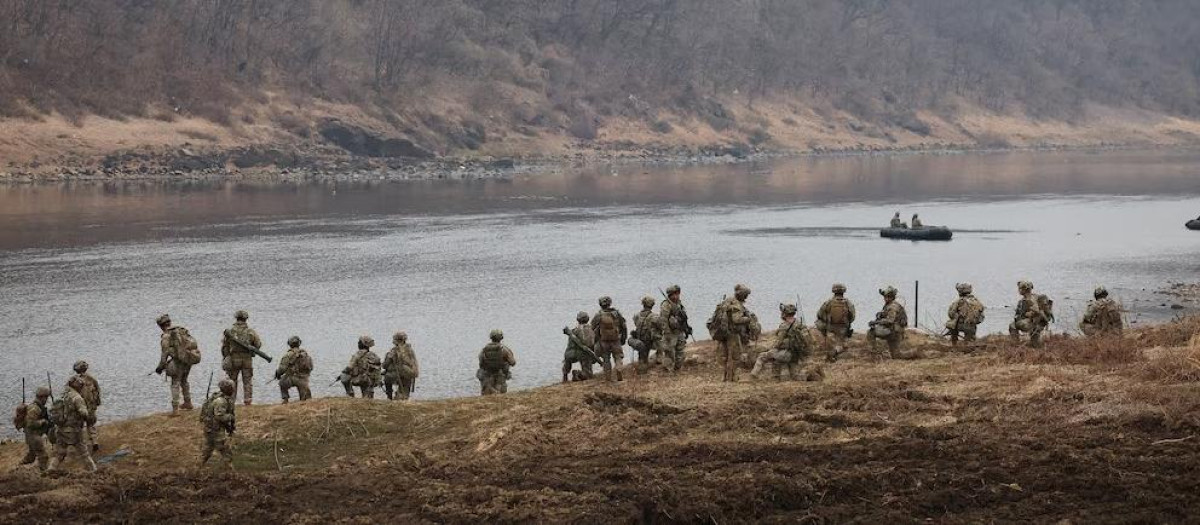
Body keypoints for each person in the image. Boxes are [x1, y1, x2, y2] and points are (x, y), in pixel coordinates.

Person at [751, 303, 814, 381]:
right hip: (796, 355)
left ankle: (753, 375)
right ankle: (789, 377)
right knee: (793, 373)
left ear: (785, 313)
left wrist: (770, 349)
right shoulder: (799, 324)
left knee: (762, 356)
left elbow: (778, 343)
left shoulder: (784, 326)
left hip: (786, 355)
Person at [710, 284, 760, 382]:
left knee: (725, 355)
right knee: (735, 357)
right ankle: (732, 378)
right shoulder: (736, 304)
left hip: (723, 331)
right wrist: (748, 318)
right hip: (732, 333)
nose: (746, 297)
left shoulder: (728, 300)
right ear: (741, 294)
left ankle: (725, 377)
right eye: (745, 295)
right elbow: (736, 319)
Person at [49, 376, 97, 473]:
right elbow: (84, 413)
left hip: (60, 429)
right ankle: (94, 471)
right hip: (74, 431)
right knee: (84, 453)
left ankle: (51, 469)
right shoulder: (77, 398)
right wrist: (89, 417)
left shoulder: (63, 395)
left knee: (60, 454)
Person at [156, 314, 197, 414]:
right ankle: (188, 403)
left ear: (161, 326)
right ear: (169, 322)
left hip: (178, 362)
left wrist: (160, 367)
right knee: (184, 381)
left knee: (175, 383)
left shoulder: (166, 336)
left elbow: (164, 353)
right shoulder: (180, 330)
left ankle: (175, 410)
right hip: (188, 359)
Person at [220, 310, 263, 406]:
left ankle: (231, 401)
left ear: (236, 318)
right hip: (247, 359)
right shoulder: (250, 332)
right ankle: (248, 400)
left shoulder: (229, 331)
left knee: (232, 380)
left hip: (234, 359)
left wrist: (226, 357)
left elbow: (224, 347)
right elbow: (258, 345)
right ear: (246, 319)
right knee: (247, 381)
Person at [200, 379, 236, 470]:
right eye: (232, 388)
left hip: (210, 428)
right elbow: (219, 417)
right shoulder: (221, 401)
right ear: (227, 389)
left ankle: (198, 467)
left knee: (208, 449)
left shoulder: (219, 398)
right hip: (215, 429)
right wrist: (230, 417)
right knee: (225, 450)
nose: (233, 390)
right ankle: (230, 471)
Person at [590, 296, 627, 382]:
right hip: (616, 340)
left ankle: (608, 378)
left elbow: (592, 327)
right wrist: (623, 338)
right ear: (610, 303)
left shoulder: (598, 315)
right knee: (618, 357)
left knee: (606, 359)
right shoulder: (617, 313)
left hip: (603, 341)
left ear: (600, 305)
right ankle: (618, 369)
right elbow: (624, 326)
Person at [815, 284, 856, 362]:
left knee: (818, 322)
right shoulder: (848, 303)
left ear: (833, 291)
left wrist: (827, 319)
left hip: (830, 328)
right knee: (843, 346)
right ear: (844, 291)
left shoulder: (829, 302)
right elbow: (853, 317)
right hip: (843, 329)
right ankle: (836, 351)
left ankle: (830, 346)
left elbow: (819, 314)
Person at [867, 286, 908, 358]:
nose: (885, 298)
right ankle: (915, 353)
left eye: (887, 297)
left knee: (871, 332)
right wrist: (880, 314)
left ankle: (873, 354)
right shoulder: (891, 305)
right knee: (896, 355)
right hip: (895, 331)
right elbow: (888, 316)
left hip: (893, 332)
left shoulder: (892, 307)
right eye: (885, 296)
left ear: (892, 297)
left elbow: (890, 321)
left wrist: (876, 322)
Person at [1009, 280, 1052, 348]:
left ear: (1024, 289)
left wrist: (1028, 314)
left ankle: (1015, 345)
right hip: (1039, 323)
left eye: (1020, 288)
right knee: (1035, 345)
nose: (1018, 290)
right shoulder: (1036, 297)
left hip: (1034, 323)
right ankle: (1035, 344)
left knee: (1012, 325)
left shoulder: (1026, 301)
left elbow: (1033, 313)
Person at [658, 285, 691, 372]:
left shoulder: (679, 304)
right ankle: (668, 369)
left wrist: (687, 328)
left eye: (677, 294)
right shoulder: (666, 305)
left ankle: (678, 368)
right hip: (670, 331)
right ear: (670, 295)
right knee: (669, 351)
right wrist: (667, 333)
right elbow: (663, 320)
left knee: (680, 350)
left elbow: (683, 318)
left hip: (679, 330)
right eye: (674, 294)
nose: (676, 296)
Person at [19, 387, 52, 471]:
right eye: (46, 397)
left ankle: (19, 467)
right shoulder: (34, 408)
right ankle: (44, 473)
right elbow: (30, 423)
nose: (46, 400)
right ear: (42, 397)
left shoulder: (39, 406)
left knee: (31, 455)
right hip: (33, 435)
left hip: (32, 435)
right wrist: (42, 422)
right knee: (43, 456)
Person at [72, 361, 101, 453]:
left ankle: (82, 445)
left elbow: (69, 393)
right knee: (91, 425)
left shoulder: (73, 380)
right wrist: (97, 403)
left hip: (80, 408)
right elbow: (98, 391)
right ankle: (94, 442)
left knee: (79, 427)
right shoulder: (92, 379)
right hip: (90, 407)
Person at [275, 336, 313, 403]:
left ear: (289, 344)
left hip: (292, 379)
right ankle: (305, 400)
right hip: (304, 380)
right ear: (299, 343)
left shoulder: (288, 355)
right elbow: (311, 367)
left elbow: (282, 369)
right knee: (306, 399)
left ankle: (285, 399)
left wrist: (277, 374)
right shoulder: (305, 354)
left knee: (282, 382)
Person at [478, 330, 517, 395]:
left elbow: (481, 361)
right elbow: (513, 363)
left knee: (487, 395)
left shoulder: (484, 349)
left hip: (487, 376)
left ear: (491, 338)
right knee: (501, 395)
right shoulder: (504, 349)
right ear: (501, 338)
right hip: (500, 375)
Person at [382, 332, 420, 400]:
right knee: (404, 392)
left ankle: (389, 397)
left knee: (386, 378)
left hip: (400, 373)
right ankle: (403, 396)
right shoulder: (410, 350)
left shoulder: (395, 350)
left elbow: (385, 365)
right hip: (411, 374)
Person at [630, 296, 661, 374]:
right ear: (652, 305)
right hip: (650, 341)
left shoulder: (637, 315)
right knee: (664, 342)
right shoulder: (654, 316)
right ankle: (659, 359)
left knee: (642, 357)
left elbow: (636, 324)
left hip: (640, 340)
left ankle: (642, 367)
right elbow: (661, 326)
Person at [562, 312, 596, 383]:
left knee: (567, 359)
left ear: (578, 320)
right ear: (587, 319)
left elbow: (570, 345)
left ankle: (565, 376)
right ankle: (578, 373)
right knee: (589, 375)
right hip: (583, 353)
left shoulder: (574, 330)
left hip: (570, 354)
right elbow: (591, 344)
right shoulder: (590, 330)